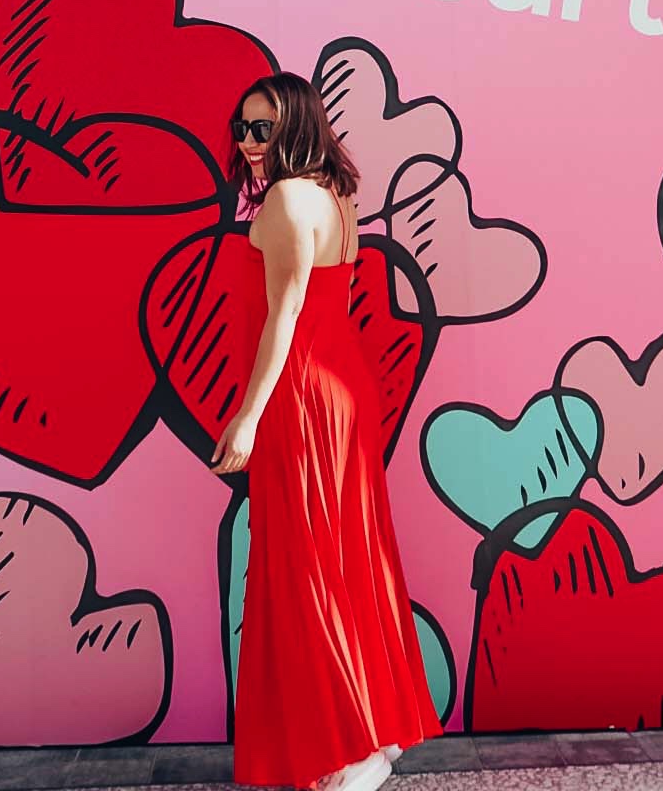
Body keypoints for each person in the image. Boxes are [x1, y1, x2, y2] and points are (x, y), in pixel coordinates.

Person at [212, 72, 442, 791]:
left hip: (303, 397)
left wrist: (246, 417)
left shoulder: (286, 199)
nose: (250, 143)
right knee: (346, 562)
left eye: (264, 128)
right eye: (243, 128)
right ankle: (366, 734)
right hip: (343, 391)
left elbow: (283, 317)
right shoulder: (337, 198)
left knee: (307, 568)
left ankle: (346, 751)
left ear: (298, 126)